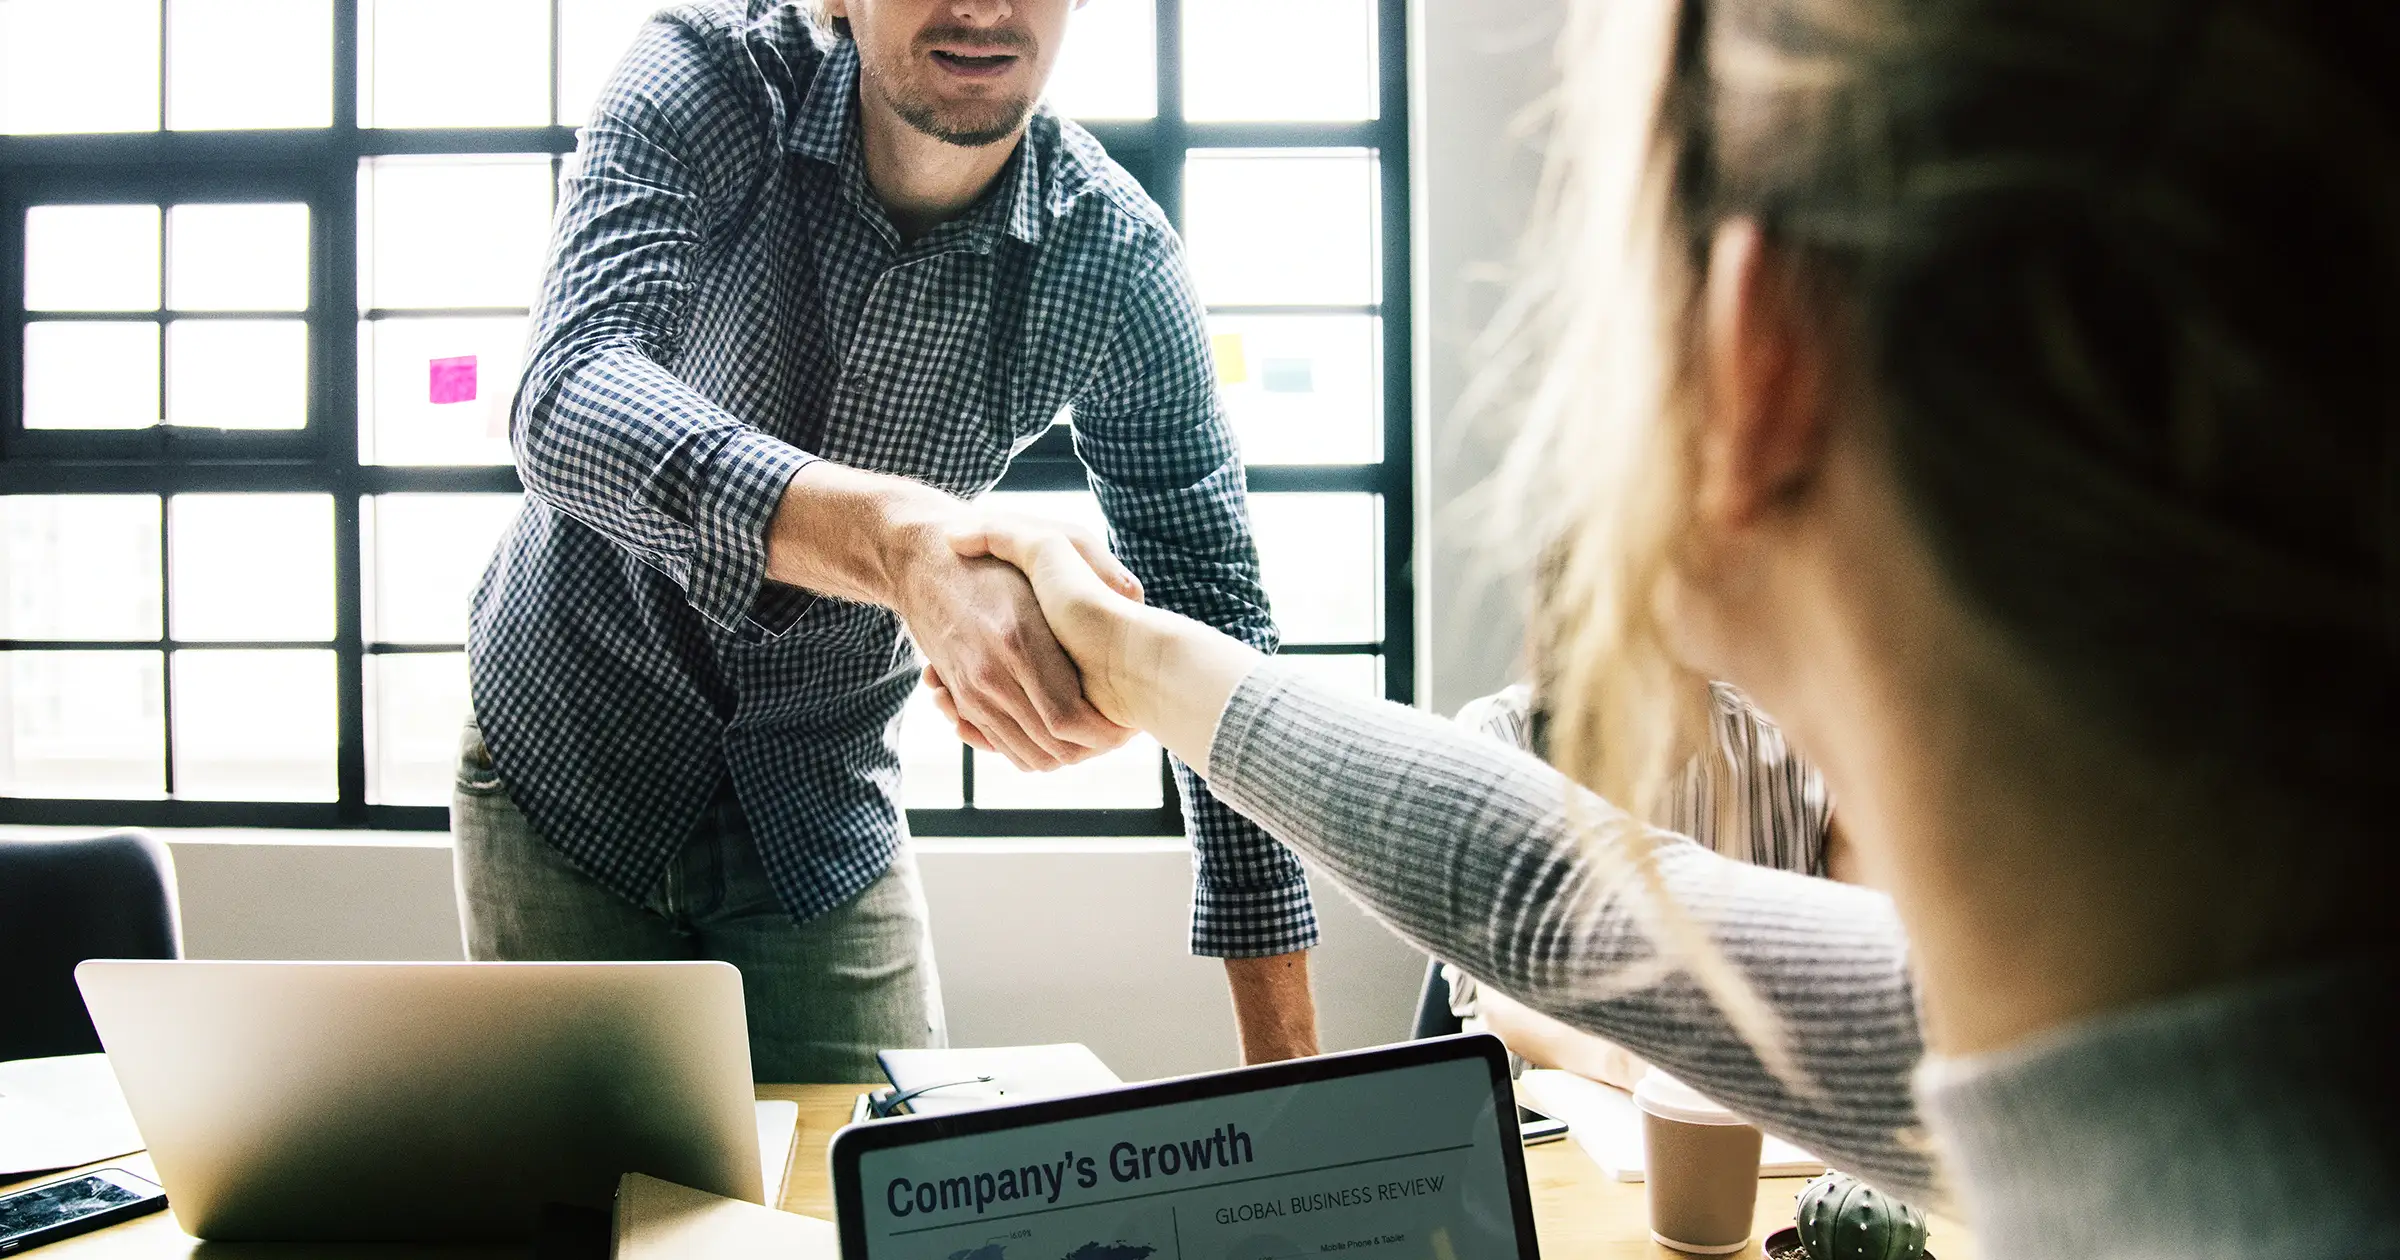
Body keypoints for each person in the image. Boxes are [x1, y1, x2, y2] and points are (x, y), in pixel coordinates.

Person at [938, 0, 2400, 1251]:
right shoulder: (2118, 1010)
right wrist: (1134, 655)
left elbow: (1556, 905)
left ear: (1756, 355)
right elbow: (1542, 893)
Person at [454, 0, 1321, 1083]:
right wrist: (905, 546)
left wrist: (1290, 1077)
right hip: (567, 752)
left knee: (894, 1209)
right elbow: (569, 391)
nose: (987, 9)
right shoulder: (710, 75)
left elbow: (1216, 617)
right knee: (590, 1221)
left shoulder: (1116, 262)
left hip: (818, 802)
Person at [1447, 681, 1850, 1091]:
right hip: (1544, 1119)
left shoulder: (1799, 748)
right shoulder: (1502, 733)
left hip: (1761, 1118)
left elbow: (1882, 982)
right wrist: (1636, 1068)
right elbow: (1502, 1003)